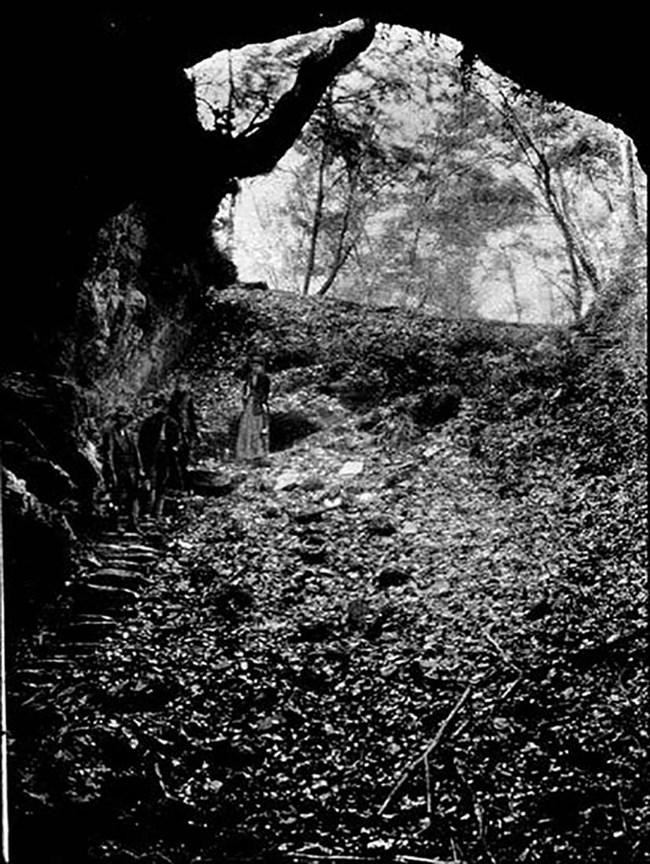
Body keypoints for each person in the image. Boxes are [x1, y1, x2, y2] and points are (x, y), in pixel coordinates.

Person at [138, 394, 182, 519]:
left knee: (162, 485)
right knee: (150, 484)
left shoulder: (172, 423)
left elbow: (178, 440)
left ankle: (157, 513)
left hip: (166, 458)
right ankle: (146, 511)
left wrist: (174, 448)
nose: (162, 409)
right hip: (151, 457)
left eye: (164, 407)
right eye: (159, 407)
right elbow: (142, 443)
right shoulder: (149, 422)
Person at [101, 405, 144, 530]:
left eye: (125, 418)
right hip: (118, 468)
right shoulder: (110, 433)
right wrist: (111, 471)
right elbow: (109, 452)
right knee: (117, 496)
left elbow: (136, 452)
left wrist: (140, 469)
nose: (123, 420)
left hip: (131, 469)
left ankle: (133, 523)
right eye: (121, 418)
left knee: (134, 496)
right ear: (116, 418)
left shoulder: (129, 434)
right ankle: (116, 523)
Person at [235, 354, 271, 464]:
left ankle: (259, 454)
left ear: (262, 367)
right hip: (250, 404)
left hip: (258, 404)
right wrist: (246, 397)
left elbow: (265, 393)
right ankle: (246, 453)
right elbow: (246, 390)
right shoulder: (250, 377)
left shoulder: (265, 378)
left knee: (258, 428)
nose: (255, 368)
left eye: (257, 366)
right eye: (253, 366)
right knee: (246, 428)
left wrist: (260, 401)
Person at [168, 375, 199, 489]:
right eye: (178, 384)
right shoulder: (173, 397)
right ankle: (175, 482)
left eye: (182, 384)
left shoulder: (188, 398)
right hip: (174, 429)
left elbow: (191, 415)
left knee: (185, 455)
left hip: (186, 428)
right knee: (174, 456)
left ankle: (183, 481)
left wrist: (195, 431)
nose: (180, 386)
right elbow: (170, 414)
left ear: (186, 386)